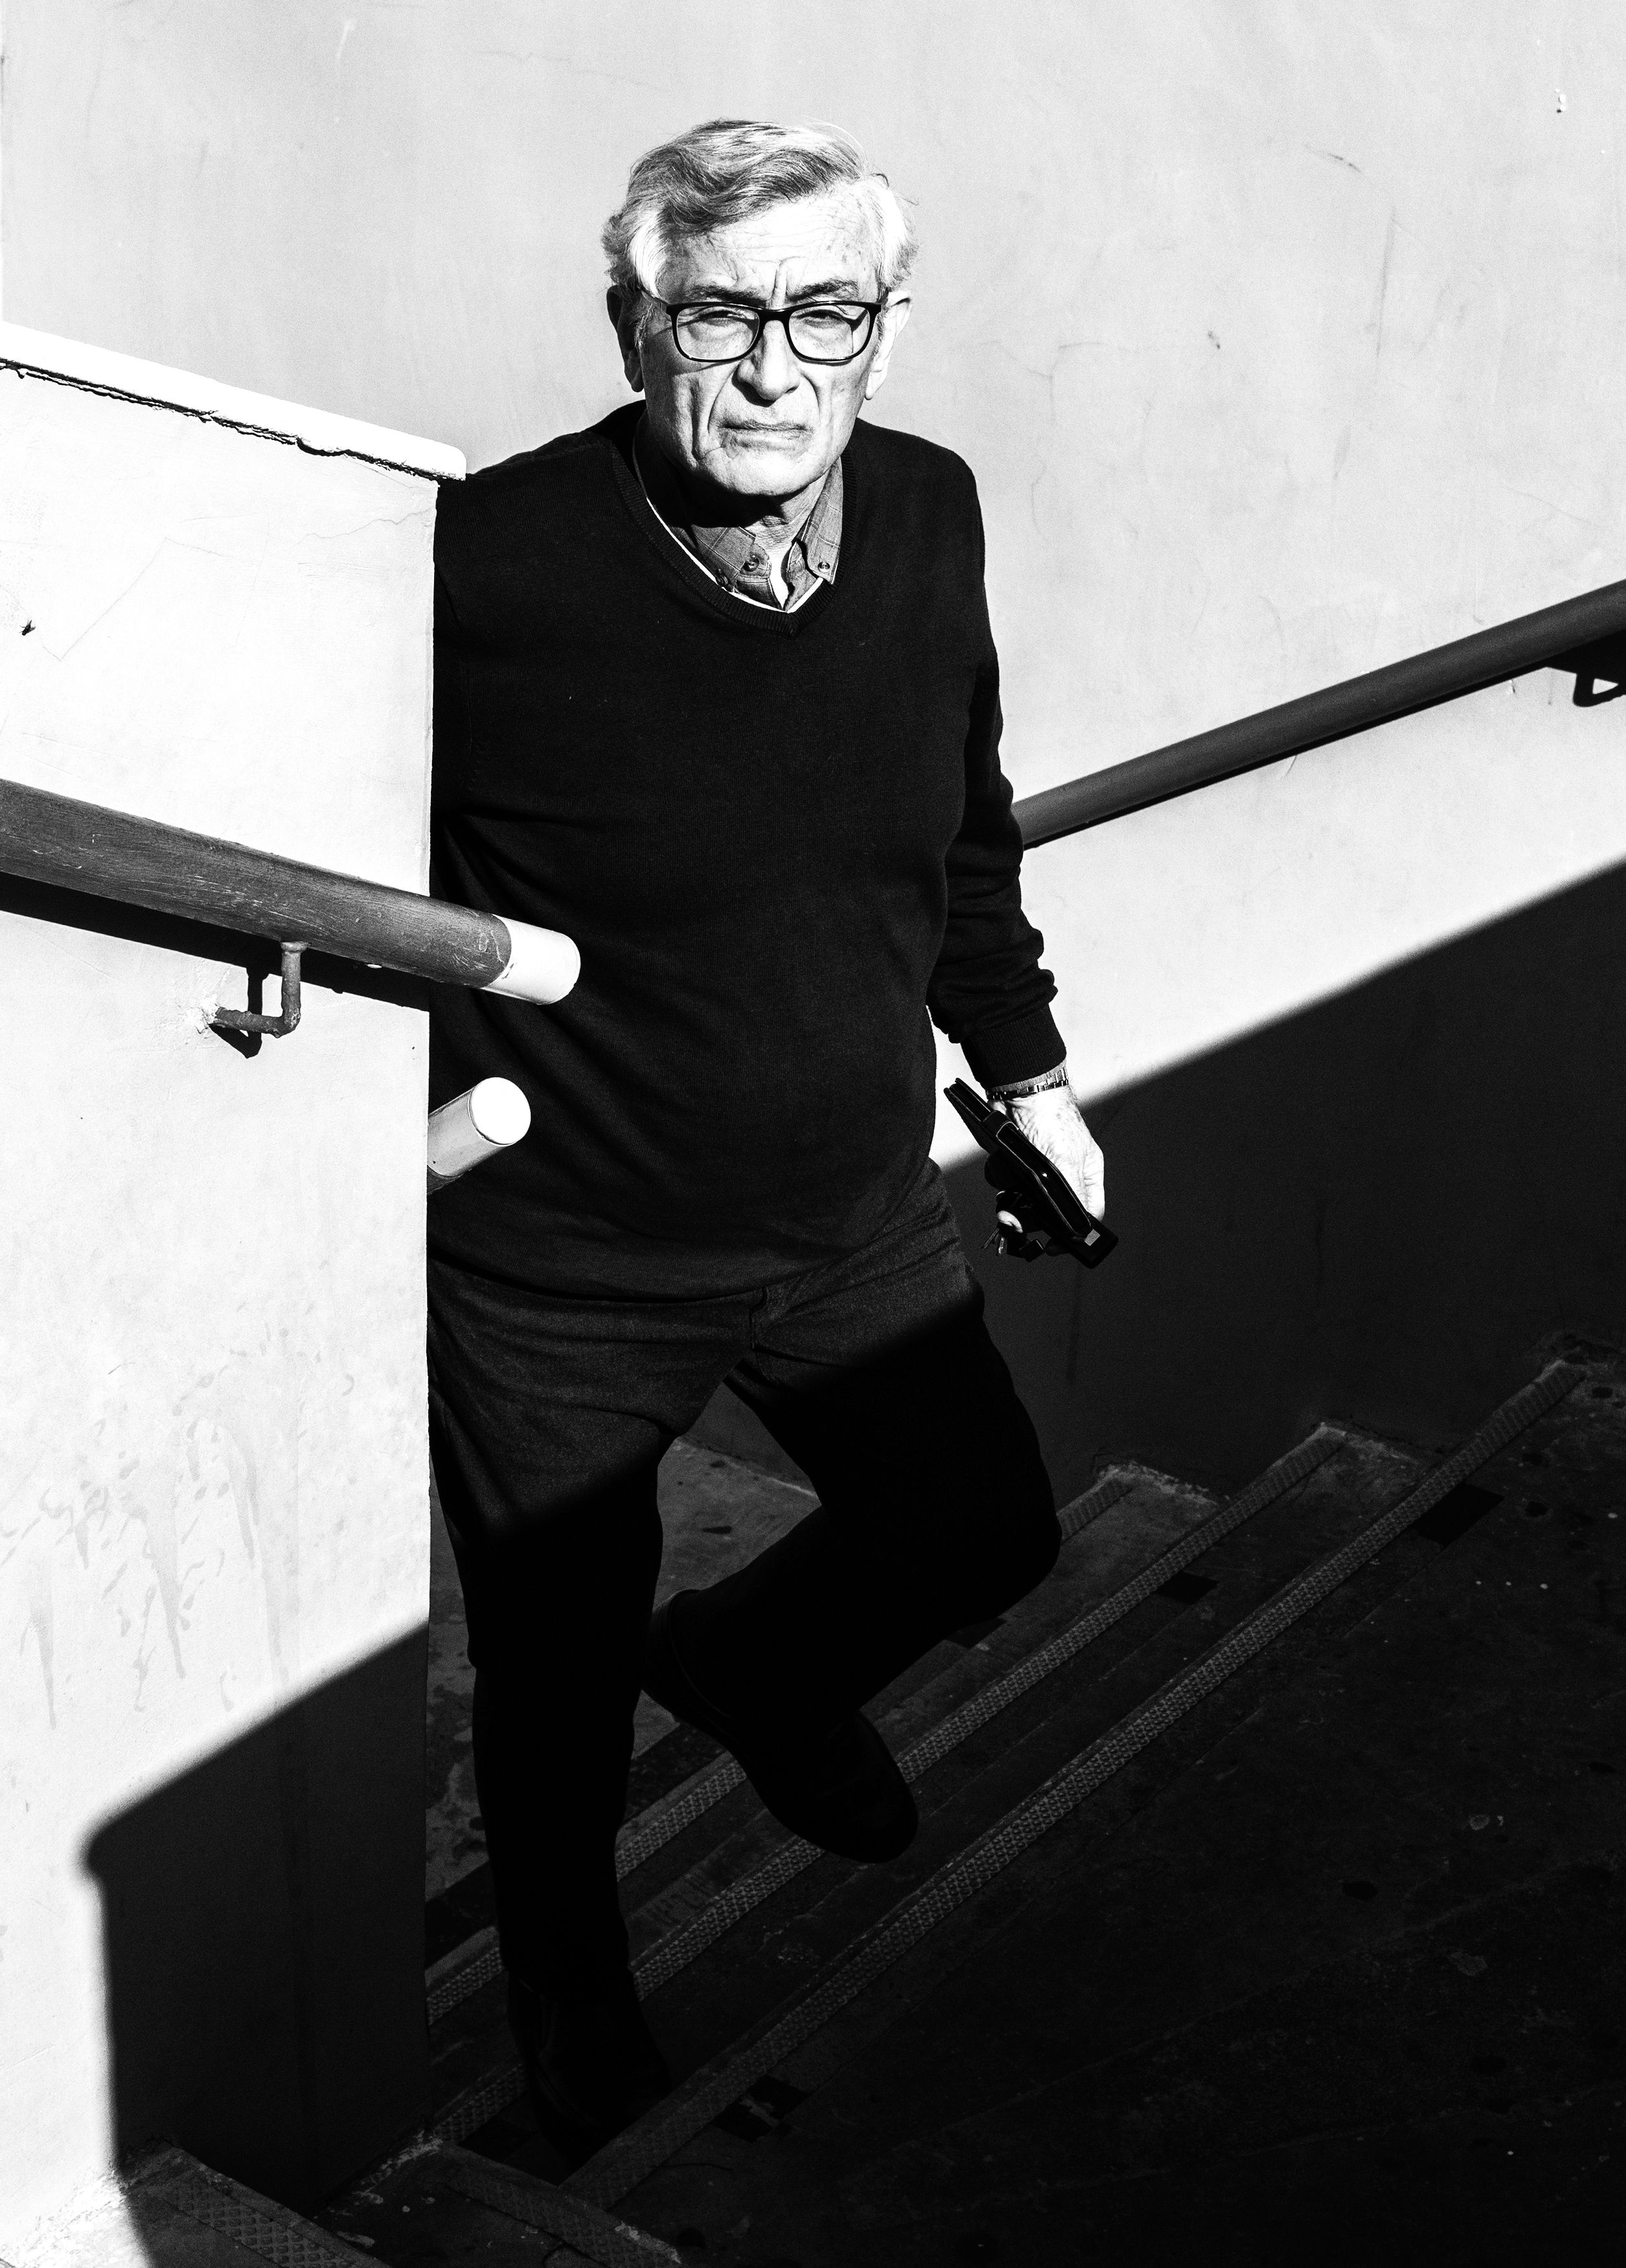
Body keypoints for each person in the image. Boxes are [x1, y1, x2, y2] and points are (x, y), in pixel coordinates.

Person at [424, 117, 1103, 2158]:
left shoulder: (928, 509)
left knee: (984, 1529)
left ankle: (754, 1665)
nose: (773, 366)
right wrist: (394, 1118)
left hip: (846, 1212)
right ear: (633, 324)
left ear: (884, 326)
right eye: (717, 313)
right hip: (560, 1255)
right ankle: (570, 1988)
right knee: (550, 1672)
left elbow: (962, 826)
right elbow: (316, 852)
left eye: (825, 313)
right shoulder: (484, 566)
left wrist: (1031, 1075)